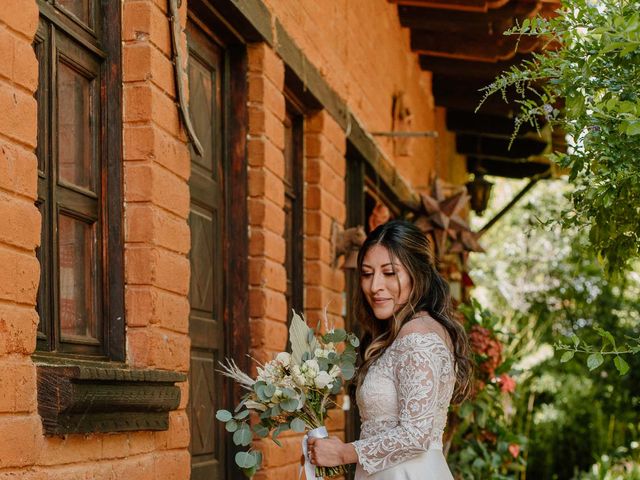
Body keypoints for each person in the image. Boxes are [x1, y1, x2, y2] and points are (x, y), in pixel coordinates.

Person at [307, 220, 473, 479]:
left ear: (417, 274)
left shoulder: (417, 336)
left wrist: (343, 453)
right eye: (366, 273)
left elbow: (416, 435)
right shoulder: (400, 333)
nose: (374, 286)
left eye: (389, 272)